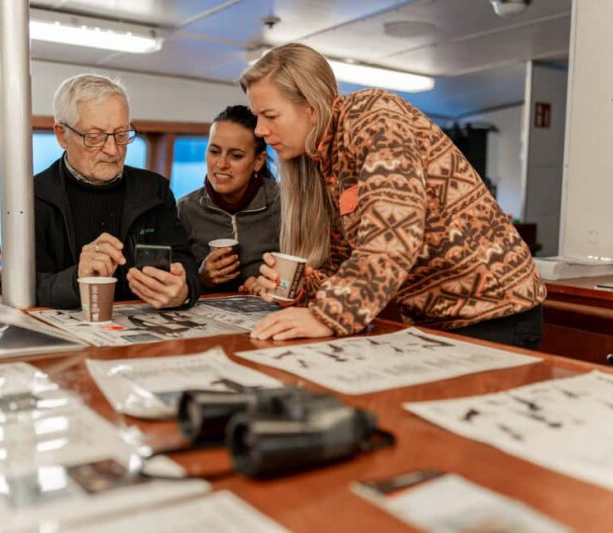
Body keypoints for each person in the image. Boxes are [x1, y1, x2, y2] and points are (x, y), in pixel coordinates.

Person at [241, 43, 546, 349]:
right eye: (257, 117)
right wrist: (301, 286)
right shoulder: (327, 161)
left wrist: (327, 315)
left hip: (494, 313)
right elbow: (351, 266)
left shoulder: (375, 116)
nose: (259, 130)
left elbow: (394, 234)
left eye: (270, 115)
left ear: (310, 107)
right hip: (437, 318)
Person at [34, 74, 200, 310]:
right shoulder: (31, 198)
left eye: (121, 135)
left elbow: (185, 263)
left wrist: (183, 291)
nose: (113, 150)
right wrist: (76, 279)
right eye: (95, 137)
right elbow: (21, 288)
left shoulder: (155, 190)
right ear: (62, 135)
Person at [177, 105, 280, 293]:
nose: (221, 164)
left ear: (258, 161)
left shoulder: (285, 205)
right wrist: (200, 279)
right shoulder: (184, 209)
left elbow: (301, 280)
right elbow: (172, 286)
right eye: (214, 152)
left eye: (236, 156)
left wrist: (276, 286)